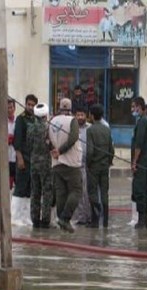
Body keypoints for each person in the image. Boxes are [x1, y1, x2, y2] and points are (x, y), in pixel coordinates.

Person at [49, 98, 82, 233]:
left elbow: (47, 138)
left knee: (61, 192)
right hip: (71, 162)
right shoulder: (72, 120)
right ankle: (65, 218)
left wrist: (54, 150)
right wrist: (61, 151)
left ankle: (60, 220)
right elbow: (73, 138)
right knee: (76, 191)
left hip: (56, 162)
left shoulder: (52, 121)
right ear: (70, 107)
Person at [85, 104, 114, 228]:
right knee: (104, 193)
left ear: (92, 115)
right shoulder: (107, 129)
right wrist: (108, 162)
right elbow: (111, 150)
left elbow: (90, 150)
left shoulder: (90, 130)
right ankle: (106, 222)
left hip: (94, 167)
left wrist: (88, 163)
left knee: (93, 193)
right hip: (104, 167)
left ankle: (95, 221)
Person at [11, 94, 38, 226]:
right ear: (25, 104)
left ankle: (26, 216)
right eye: (29, 104)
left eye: (33, 105)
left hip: (33, 159)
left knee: (29, 189)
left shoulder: (35, 119)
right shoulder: (20, 120)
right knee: (20, 188)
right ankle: (15, 217)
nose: (31, 107)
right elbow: (17, 140)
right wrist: (20, 158)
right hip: (23, 158)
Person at [27, 103, 54, 229]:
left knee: (35, 191)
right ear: (45, 115)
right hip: (45, 164)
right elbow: (52, 146)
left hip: (33, 163)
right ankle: (45, 220)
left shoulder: (30, 128)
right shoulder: (48, 128)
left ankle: (35, 219)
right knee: (47, 192)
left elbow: (28, 145)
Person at [130, 96, 147, 229]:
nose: (133, 110)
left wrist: (134, 162)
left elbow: (138, 145)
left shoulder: (142, 122)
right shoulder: (146, 122)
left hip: (142, 164)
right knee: (146, 192)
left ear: (140, 106)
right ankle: (145, 222)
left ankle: (142, 221)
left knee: (140, 192)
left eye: (134, 107)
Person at [72, 107, 92, 226]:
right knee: (77, 192)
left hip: (87, 165)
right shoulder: (72, 128)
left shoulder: (90, 129)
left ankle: (89, 216)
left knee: (87, 192)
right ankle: (80, 217)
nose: (80, 117)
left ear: (87, 115)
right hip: (75, 164)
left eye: (82, 115)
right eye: (78, 115)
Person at [7, 99, 17, 190]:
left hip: (16, 156)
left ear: (14, 108)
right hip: (6, 157)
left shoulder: (18, 122)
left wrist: (13, 138)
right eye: (7, 108)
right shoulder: (2, 123)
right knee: (7, 184)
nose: (9, 110)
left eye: (11, 107)